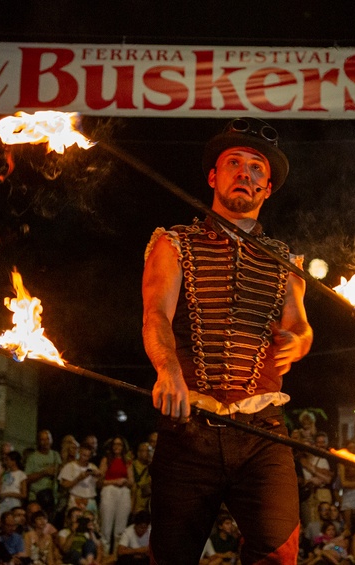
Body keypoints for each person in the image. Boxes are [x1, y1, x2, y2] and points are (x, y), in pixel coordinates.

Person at [142, 117, 312, 563]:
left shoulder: (286, 261)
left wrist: (298, 339)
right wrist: (168, 369)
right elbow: (155, 314)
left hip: (262, 432)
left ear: (267, 188)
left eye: (257, 168)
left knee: (279, 554)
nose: (245, 173)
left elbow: (301, 326)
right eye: (234, 163)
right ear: (214, 177)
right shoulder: (174, 243)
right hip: (189, 427)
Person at [24, 431, 60, 516]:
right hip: (36, 497)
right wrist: (44, 473)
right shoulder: (32, 458)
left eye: (47, 439)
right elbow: (26, 478)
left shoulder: (55, 455)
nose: (45, 442)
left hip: (52, 497)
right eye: (42, 439)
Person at [59, 446, 99, 522]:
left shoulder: (93, 467)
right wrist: (78, 479)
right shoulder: (69, 466)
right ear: (79, 453)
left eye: (88, 456)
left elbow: (99, 484)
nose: (86, 458)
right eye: (84, 455)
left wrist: (98, 475)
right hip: (75, 498)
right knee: (74, 523)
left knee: (91, 524)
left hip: (90, 499)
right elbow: (64, 485)